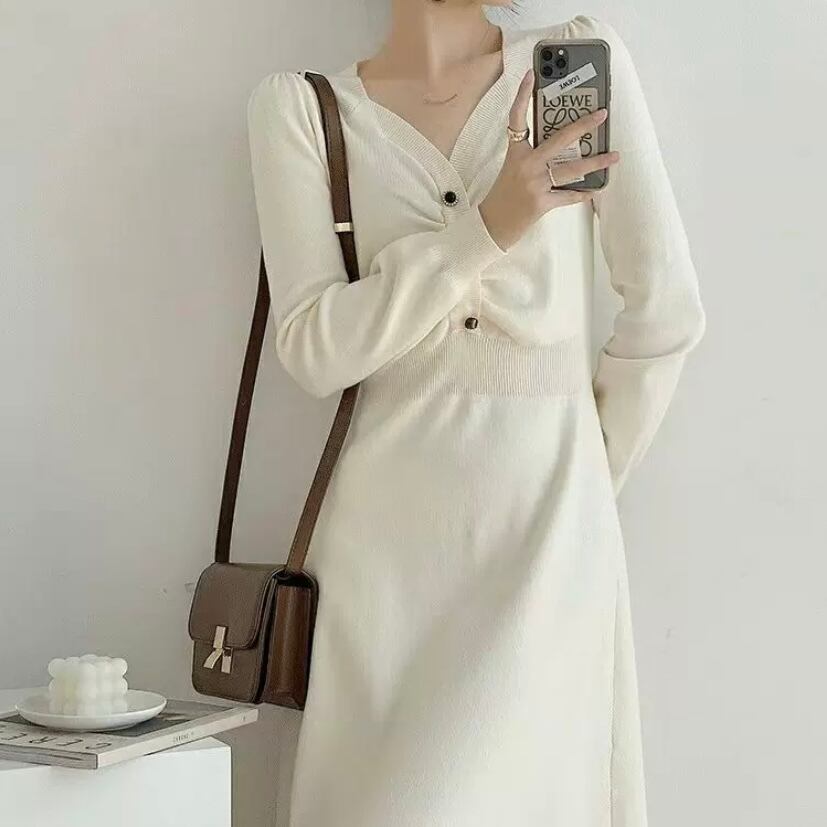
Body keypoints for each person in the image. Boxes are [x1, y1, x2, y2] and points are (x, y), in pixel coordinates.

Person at [247, 2, 706, 825]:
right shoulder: (303, 109)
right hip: (383, 564)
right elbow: (313, 348)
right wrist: (488, 226)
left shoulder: (571, 66)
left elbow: (664, 309)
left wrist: (585, 481)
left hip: (543, 547)